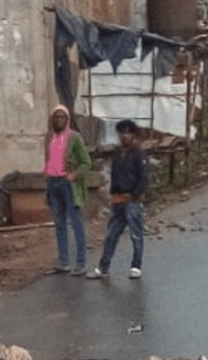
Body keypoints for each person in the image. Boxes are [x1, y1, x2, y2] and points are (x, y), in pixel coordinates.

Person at [87, 120, 147, 280]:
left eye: (127, 133)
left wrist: (134, 194)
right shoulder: (118, 154)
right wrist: (113, 195)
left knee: (136, 234)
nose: (124, 136)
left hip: (131, 200)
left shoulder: (138, 154)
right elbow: (114, 175)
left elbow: (143, 178)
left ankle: (136, 266)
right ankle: (103, 267)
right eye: (121, 133)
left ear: (133, 135)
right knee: (112, 235)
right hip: (118, 199)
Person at [44, 104, 92, 275]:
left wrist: (73, 176)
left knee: (76, 223)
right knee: (59, 224)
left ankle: (80, 264)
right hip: (53, 183)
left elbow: (86, 163)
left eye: (62, 117)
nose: (58, 120)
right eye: (56, 117)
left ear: (67, 119)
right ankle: (63, 261)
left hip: (68, 184)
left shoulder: (75, 138)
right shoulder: (50, 138)